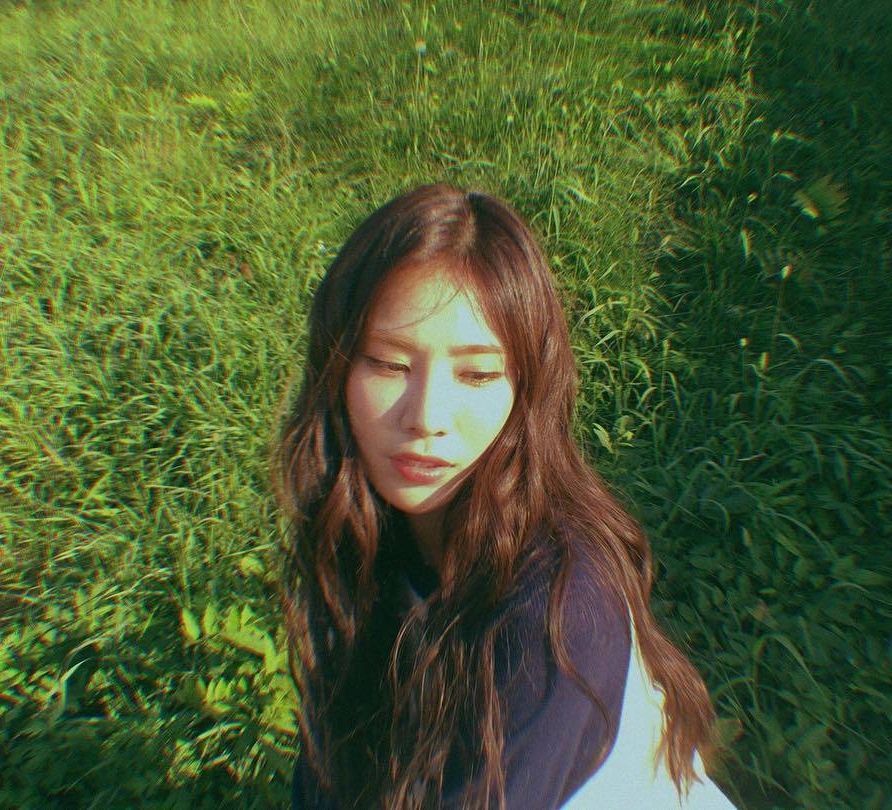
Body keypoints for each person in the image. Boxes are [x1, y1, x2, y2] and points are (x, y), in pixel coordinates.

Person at [268, 183, 737, 809]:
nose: (427, 417)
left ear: (525, 391)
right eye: (388, 364)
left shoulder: (557, 609)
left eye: (478, 374)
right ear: (336, 368)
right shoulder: (364, 527)